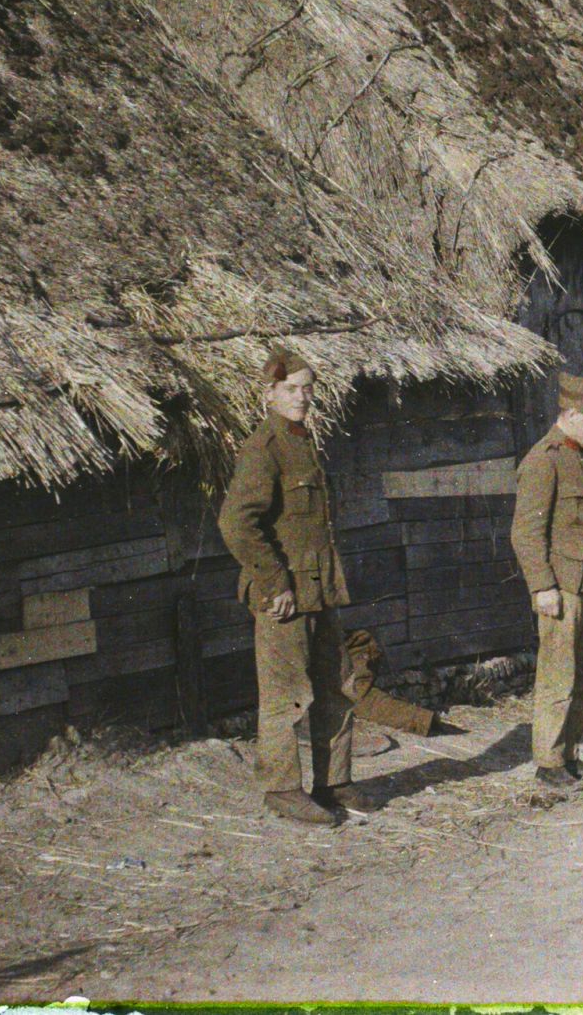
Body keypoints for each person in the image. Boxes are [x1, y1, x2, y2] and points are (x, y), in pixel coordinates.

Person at [216, 348, 366, 826]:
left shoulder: (302, 442)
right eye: (290, 389)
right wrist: (274, 581)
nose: (302, 397)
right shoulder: (264, 449)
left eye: (307, 388)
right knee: (286, 695)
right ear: (269, 394)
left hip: (320, 589)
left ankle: (334, 780)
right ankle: (282, 789)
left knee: (336, 685)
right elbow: (237, 523)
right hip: (284, 596)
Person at [511, 374, 583, 792]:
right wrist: (542, 587)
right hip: (562, 587)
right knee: (559, 675)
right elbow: (525, 532)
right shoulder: (545, 459)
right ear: (570, 414)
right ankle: (549, 764)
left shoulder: (578, 455)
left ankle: (570, 756)